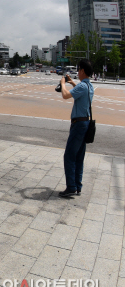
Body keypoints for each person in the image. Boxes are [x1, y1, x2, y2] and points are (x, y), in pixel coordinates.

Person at [59, 59, 94, 198]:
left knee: (69, 155)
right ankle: (77, 185)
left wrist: (63, 84)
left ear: (83, 71)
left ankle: (71, 187)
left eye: (78, 69)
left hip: (78, 125)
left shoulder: (82, 87)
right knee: (79, 156)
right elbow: (78, 89)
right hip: (85, 123)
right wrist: (71, 82)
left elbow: (66, 95)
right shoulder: (89, 86)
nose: (77, 72)